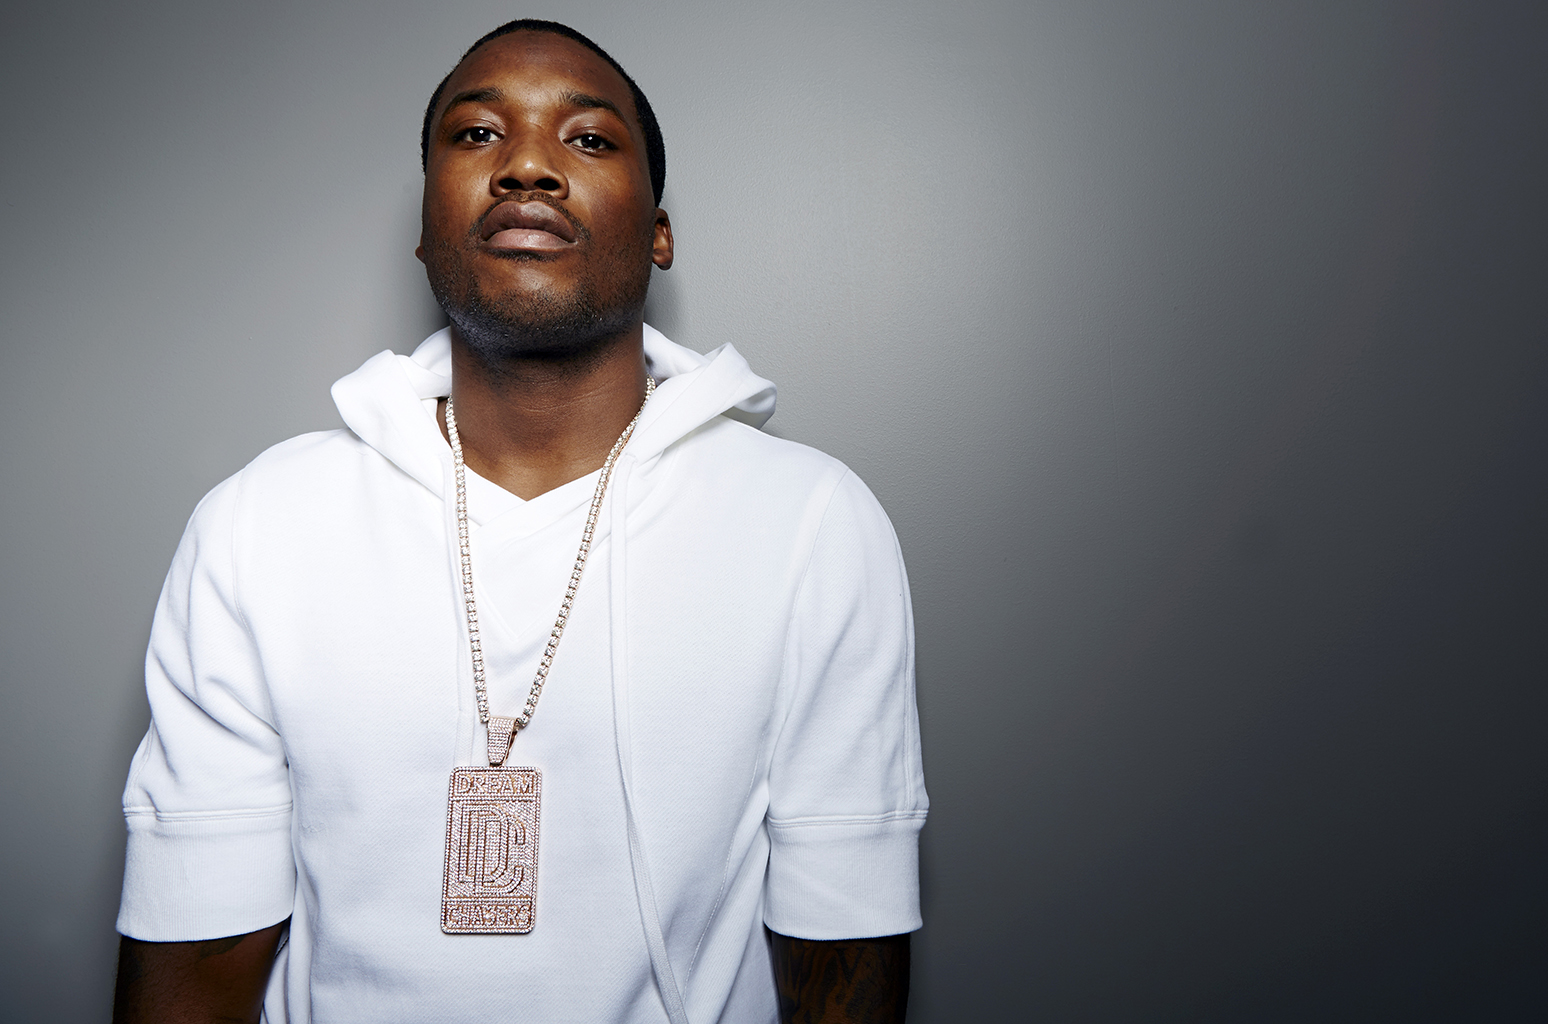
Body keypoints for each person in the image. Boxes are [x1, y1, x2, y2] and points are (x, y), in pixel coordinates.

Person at [111, 18, 926, 1024]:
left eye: (587, 139)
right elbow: (196, 957)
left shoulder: (810, 523)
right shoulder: (258, 525)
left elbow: (842, 950)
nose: (527, 166)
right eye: (477, 135)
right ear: (426, 225)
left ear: (660, 233)